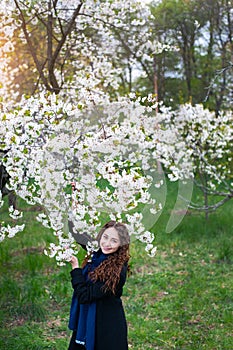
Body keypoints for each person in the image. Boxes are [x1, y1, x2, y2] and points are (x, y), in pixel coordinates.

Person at [68, 220, 130, 350]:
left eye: (114, 241)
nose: (107, 244)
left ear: (121, 244)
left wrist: (76, 269)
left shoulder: (116, 272)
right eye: (105, 237)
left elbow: (85, 296)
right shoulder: (98, 252)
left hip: (104, 326)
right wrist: (72, 211)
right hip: (87, 317)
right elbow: (78, 235)